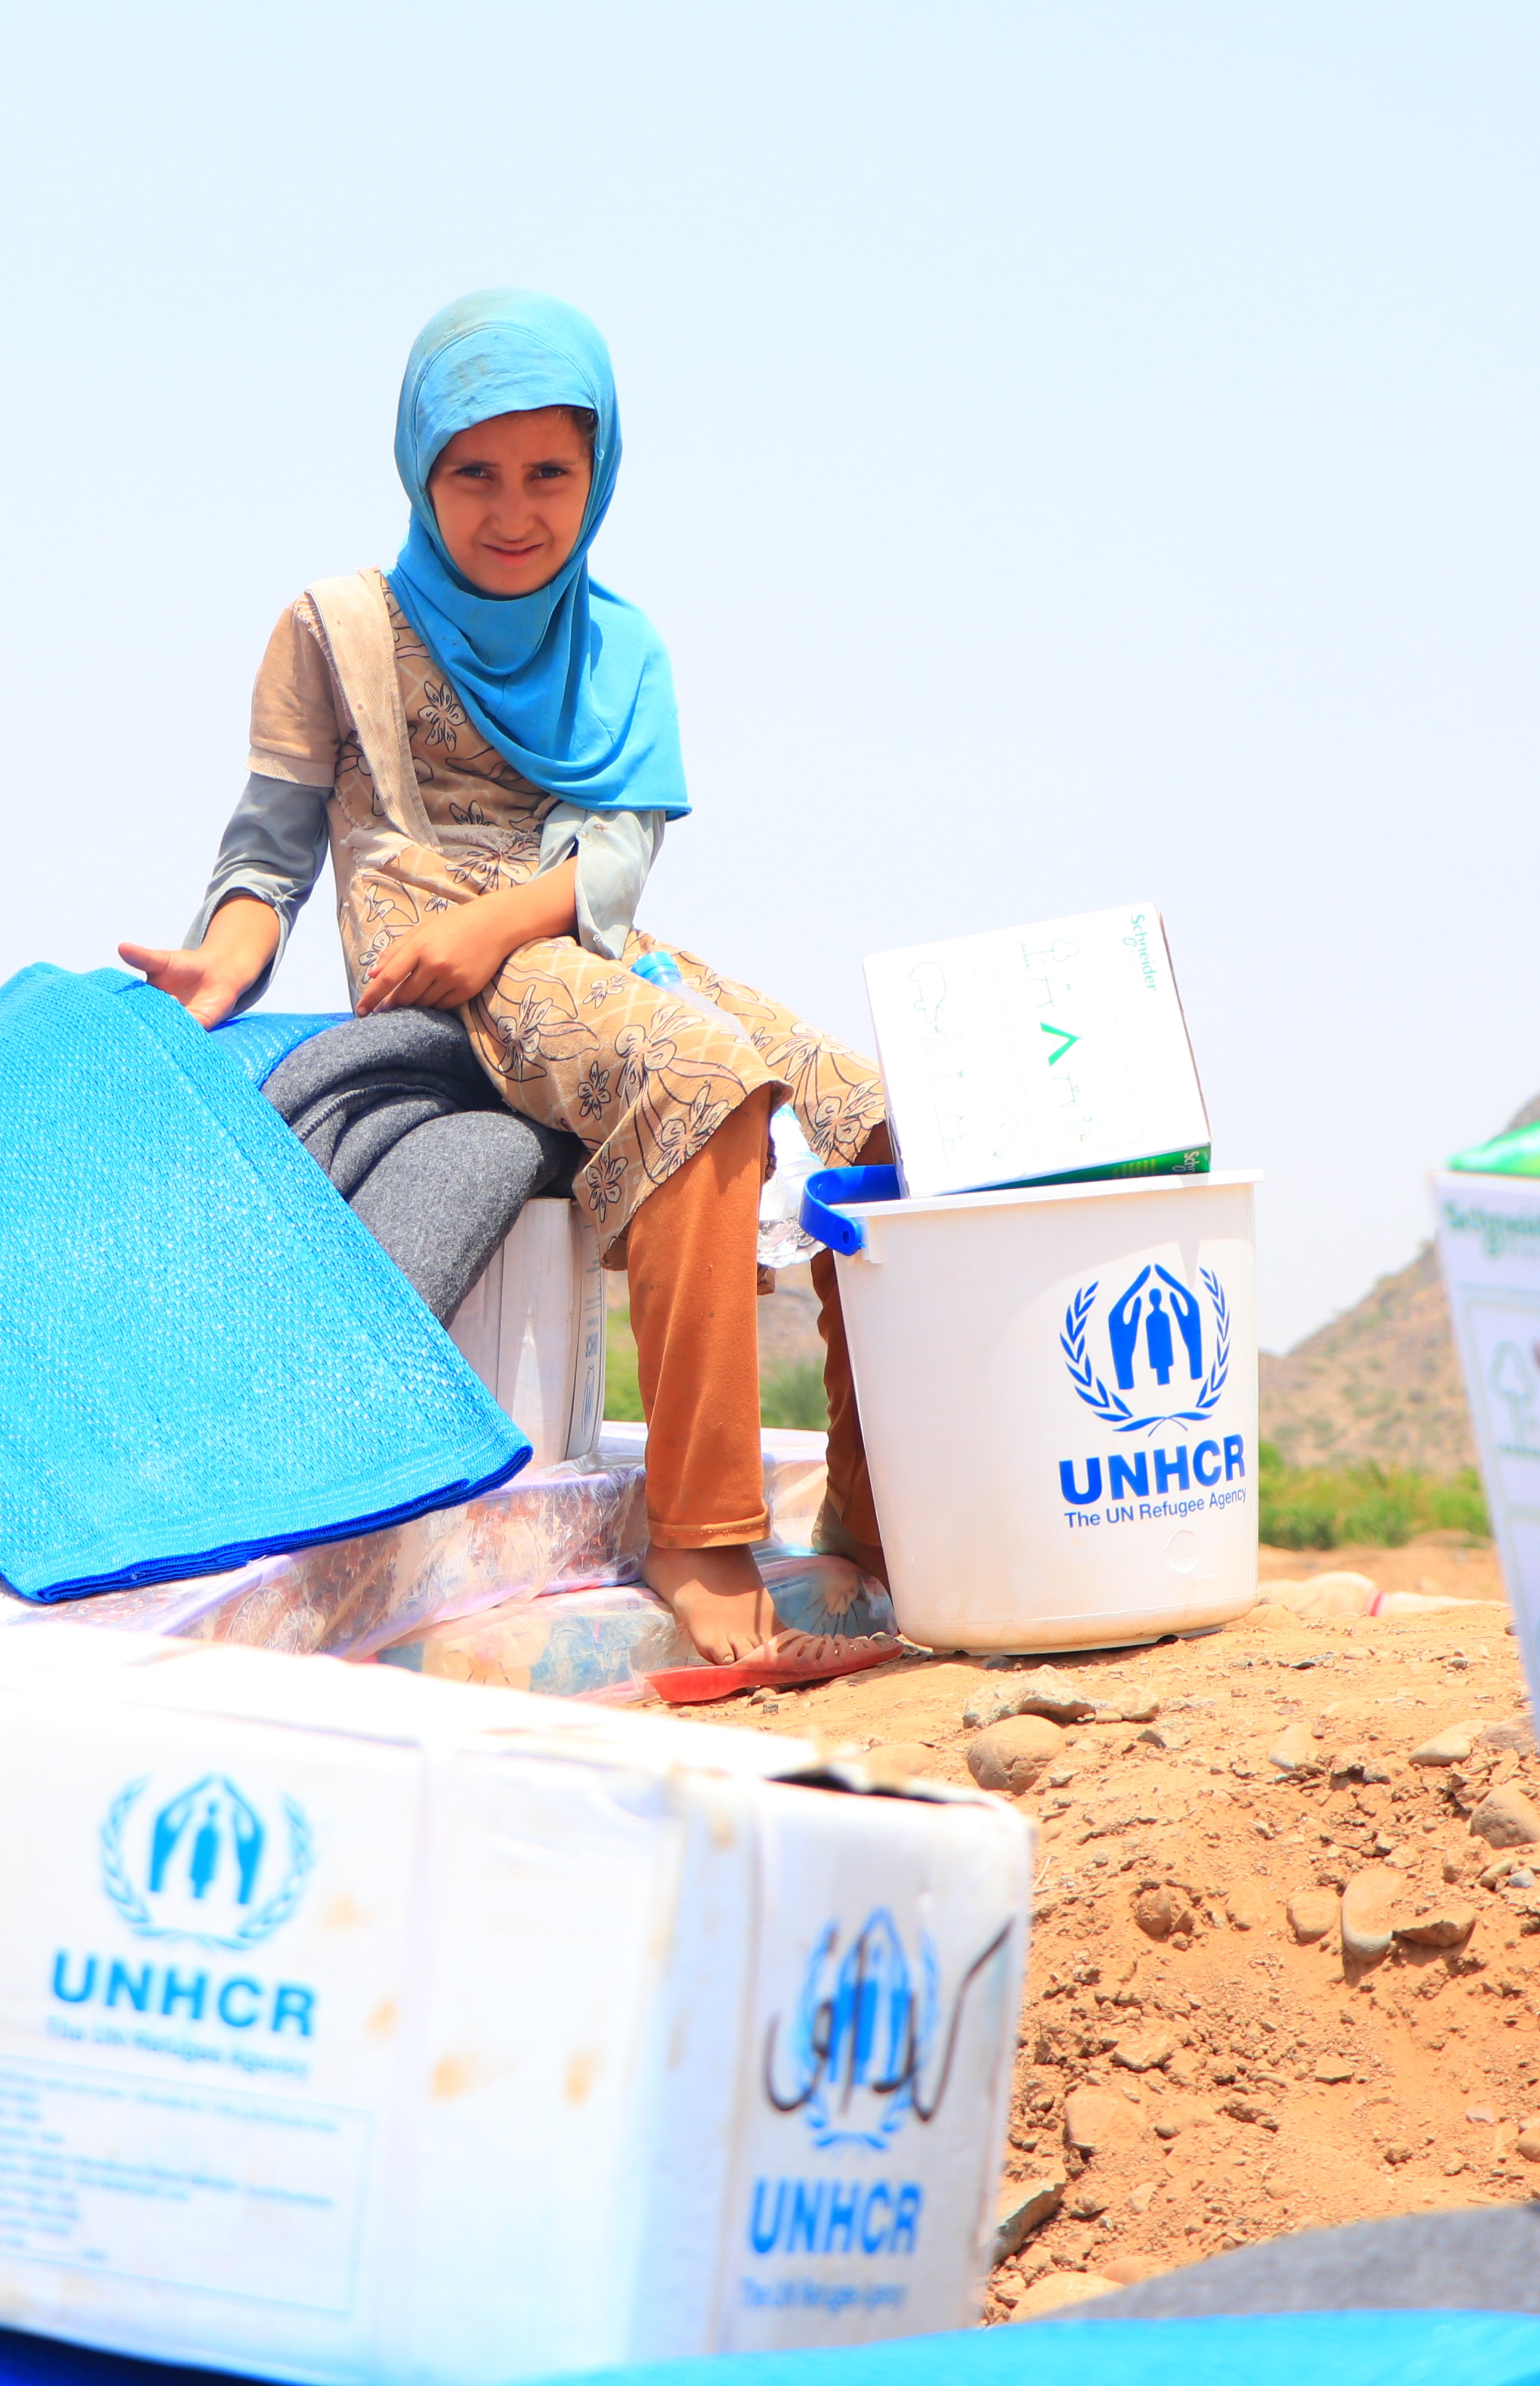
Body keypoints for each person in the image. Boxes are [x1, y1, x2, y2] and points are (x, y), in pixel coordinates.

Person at [119, 290, 893, 1676]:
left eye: (550, 472)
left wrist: (509, 924)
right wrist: (223, 957)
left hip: (573, 935)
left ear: (600, 476)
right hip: (426, 941)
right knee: (704, 1077)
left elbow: (619, 856)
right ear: (420, 471)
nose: (514, 510)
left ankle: (875, 1517)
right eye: (473, 471)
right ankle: (703, 1538)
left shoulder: (622, 645)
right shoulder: (334, 629)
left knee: (866, 1108)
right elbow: (270, 848)